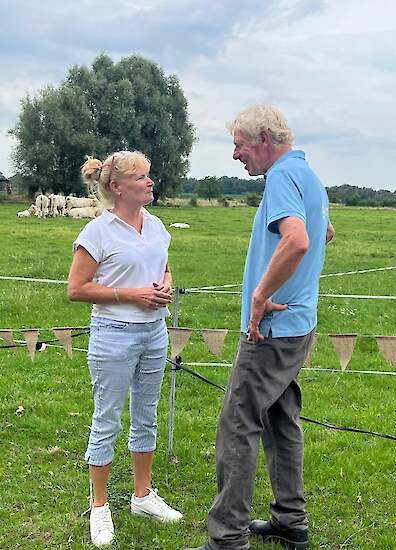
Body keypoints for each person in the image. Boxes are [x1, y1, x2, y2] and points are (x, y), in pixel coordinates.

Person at [190, 104, 334, 550]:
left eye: (239, 144)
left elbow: (299, 239)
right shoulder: (307, 174)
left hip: (272, 327)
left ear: (266, 138)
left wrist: (258, 297)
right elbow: (324, 231)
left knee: (238, 424)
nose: (235, 154)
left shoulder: (282, 178)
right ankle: (291, 520)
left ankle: (227, 537)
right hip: (298, 322)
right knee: (279, 419)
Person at [67, 150, 182, 547]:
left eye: (149, 176)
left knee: (146, 416)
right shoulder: (97, 232)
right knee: (107, 420)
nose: (151, 183)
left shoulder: (156, 226)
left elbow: (163, 266)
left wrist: (164, 283)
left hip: (155, 333)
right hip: (113, 333)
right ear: (117, 188)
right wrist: (130, 295)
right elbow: (77, 289)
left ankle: (143, 496)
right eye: (141, 178)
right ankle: (99, 506)